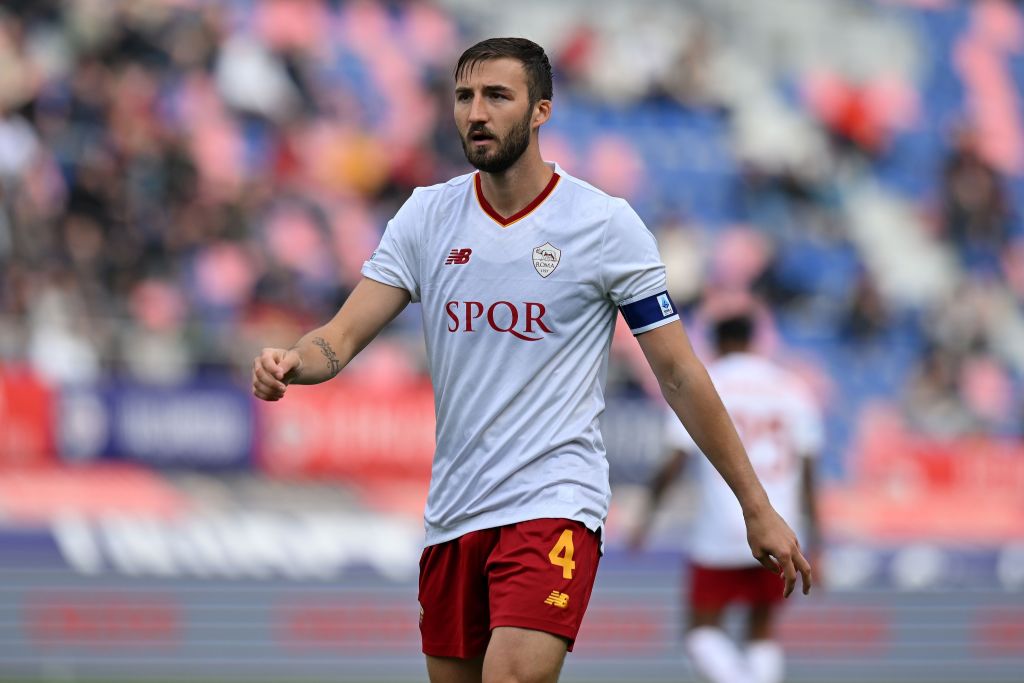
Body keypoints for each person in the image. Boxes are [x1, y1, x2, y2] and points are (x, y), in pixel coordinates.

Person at [251, 37, 811, 683]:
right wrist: (291, 360)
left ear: (541, 110)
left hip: (554, 499)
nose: (475, 113)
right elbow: (339, 339)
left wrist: (755, 503)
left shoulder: (603, 225)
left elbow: (680, 373)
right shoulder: (427, 216)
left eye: (496, 96)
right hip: (455, 509)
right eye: (464, 96)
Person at [630, 311, 823, 683]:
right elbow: (809, 474)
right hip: (781, 527)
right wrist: (818, 541)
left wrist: (646, 516)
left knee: (701, 632)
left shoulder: (708, 383)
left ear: (717, 343)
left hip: (720, 529)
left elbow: (674, 461)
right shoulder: (791, 388)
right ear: (753, 340)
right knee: (762, 631)